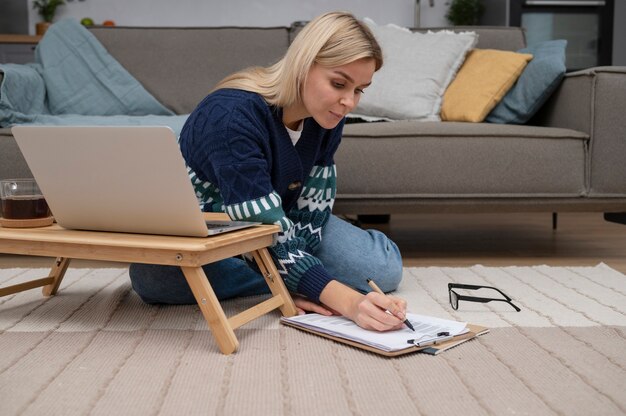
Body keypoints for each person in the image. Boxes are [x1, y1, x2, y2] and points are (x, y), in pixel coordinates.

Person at [129, 11, 406, 331]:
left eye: (359, 90)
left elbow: (312, 210)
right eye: (339, 83)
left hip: (276, 218)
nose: (349, 102)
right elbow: (254, 227)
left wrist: (301, 274)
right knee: (156, 282)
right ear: (304, 64)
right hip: (209, 227)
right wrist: (344, 299)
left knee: (383, 269)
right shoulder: (231, 115)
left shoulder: (329, 114)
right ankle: (281, 272)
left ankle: (279, 269)